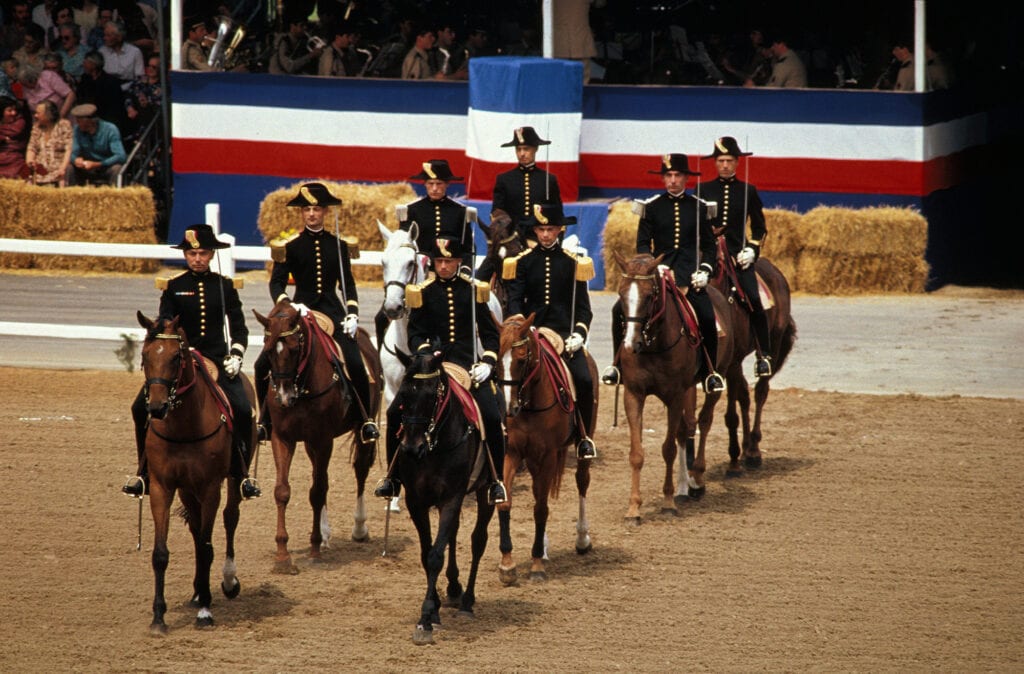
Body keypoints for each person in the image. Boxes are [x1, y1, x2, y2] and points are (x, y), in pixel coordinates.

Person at [122, 223, 261, 500]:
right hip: (179, 360)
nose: (197, 259)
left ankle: (241, 473)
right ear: (186, 256)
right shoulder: (174, 287)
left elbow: (240, 329)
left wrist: (236, 355)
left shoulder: (224, 287)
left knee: (244, 410)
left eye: (203, 253)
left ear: (211, 255)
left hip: (215, 359)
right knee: (140, 407)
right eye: (192, 254)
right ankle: (143, 472)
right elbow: (163, 326)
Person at [373, 235, 508, 505]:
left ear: (459, 261)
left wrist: (488, 361)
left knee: (493, 417)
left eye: (449, 261)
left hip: (467, 368)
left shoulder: (474, 290)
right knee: (393, 411)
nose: (444, 266)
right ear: (432, 262)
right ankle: (393, 478)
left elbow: (491, 336)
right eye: (439, 261)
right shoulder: (421, 292)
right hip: (430, 369)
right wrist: (425, 350)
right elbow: (414, 333)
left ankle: (495, 480)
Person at [257, 182, 380, 443]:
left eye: (316, 209)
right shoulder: (289, 246)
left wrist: (352, 314)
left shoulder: (338, 245)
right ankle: (265, 420)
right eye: (307, 210)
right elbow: (276, 283)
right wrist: (289, 304)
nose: (312, 214)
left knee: (356, 363)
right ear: (301, 213)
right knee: (260, 364)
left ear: (324, 212)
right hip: (299, 311)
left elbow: (348, 284)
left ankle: (364, 418)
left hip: (331, 312)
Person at [602, 153, 725, 394]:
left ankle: (710, 372)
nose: (673, 180)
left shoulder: (699, 207)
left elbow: (710, 247)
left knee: (707, 317)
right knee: (619, 310)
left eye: (677, 175)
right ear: (663, 179)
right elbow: (642, 244)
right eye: (668, 175)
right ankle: (617, 366)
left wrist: (705, 270)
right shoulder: (651, 207)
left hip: (690, 278)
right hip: (657, 276)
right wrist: (652, 265)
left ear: (687, 178)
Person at [504, 203, 599, 460]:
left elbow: (583, 309)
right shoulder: (522, 263)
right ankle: (504, 430)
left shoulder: (573, 263)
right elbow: (514, 300)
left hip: (564, 337)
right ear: (535, 230)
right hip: (531, 335)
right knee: (505, 375)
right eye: (541, 229)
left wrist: (579, 334)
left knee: (585, 379)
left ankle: (583, 437)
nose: (545, 235)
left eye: (550, 229)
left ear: (560, 230)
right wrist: (521, 323)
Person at [699, 136, 772, 378]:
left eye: (729, 160)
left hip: (737, 255)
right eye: (720, 160)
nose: (725, 165)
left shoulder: (748, 191)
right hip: (707, 254)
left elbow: (760, 228)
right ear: (715, 162)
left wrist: (751, 249)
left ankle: (764, 355)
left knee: (753, 297)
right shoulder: (702, 190)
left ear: (738, 162)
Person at [66, 102, 126, 185]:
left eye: (79, 121)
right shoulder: (77, 130)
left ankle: (115, 195)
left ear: (89, 121)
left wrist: (99, 164)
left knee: (117, 169)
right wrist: (75, 159)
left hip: (105, 166)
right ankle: (71, 196)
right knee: (70, 168)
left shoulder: (110, 129)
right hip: (86, 167)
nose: (77, 123)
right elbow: (73, 153)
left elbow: (121, 156)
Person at [75, 50, 128, 133]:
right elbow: (80, 98)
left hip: (106, 121)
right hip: (87, 119)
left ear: (94, 64)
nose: (83, 64)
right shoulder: (84, 79)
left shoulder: (111, 82)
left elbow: (115, 107)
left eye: (86, 62)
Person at [25, 99, 72, 185]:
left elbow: (69, 149)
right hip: (40, 169)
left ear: (48, 114)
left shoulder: (64, 125)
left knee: (64, 178)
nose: (35, 115)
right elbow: (31, 148)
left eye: (38, 113)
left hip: (58, 168)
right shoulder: (37, 127)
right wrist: (30, 162)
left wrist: (63, 168)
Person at [98, 19, 143, 88]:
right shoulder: (101, 52)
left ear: (119, 37)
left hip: (129, 89)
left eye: (108, 35)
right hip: (106, 89)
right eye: (104, 35)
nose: (104, 38)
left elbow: (140, 77)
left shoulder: (135, 52)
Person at [0, 96, 29, 178]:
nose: (14, 113)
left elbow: (15, 132)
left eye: (14, 110)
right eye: (10, 110)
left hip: (14, 159)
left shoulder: (20, 122)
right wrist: (3, 138)